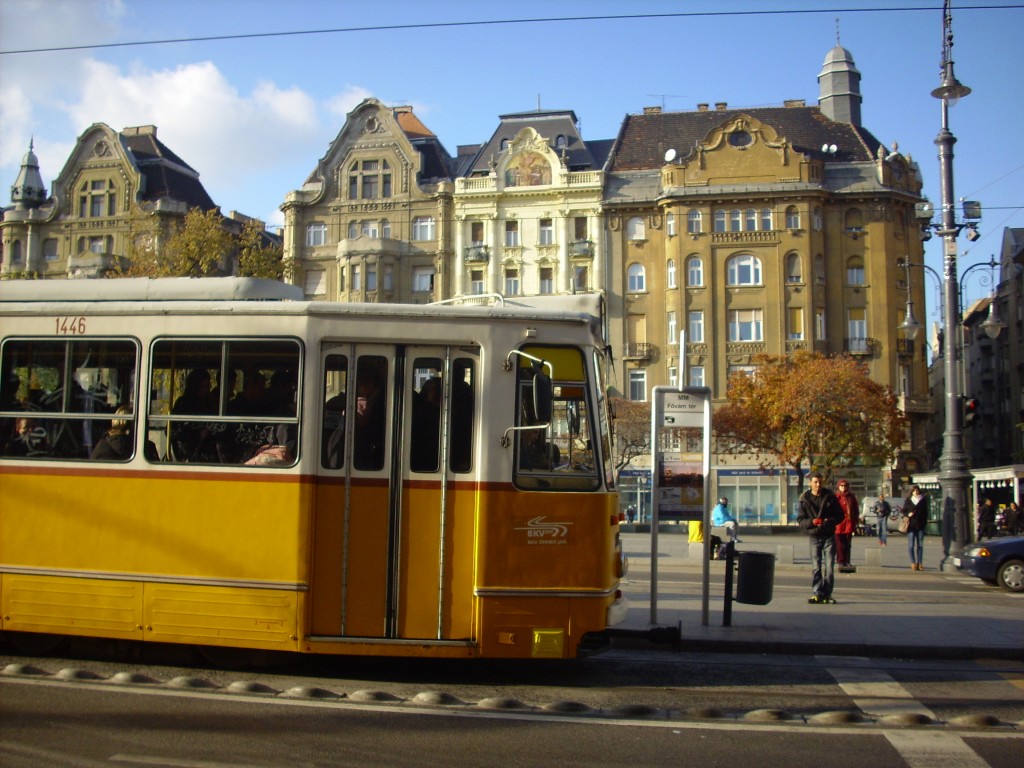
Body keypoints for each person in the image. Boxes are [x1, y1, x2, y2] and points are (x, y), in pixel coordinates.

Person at [797, 472, 844, 604]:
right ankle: (817, 593)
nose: (818, 485)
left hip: (828, 535)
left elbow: (840, 515)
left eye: (820, 482)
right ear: (810, 483)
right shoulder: (804, 498)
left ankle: (827, 594)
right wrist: (812, 522)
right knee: (816, 566)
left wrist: (828, 521)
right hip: (814, 536)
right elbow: (801, 520)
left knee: (829, 567)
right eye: (815, 482)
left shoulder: (830, 497)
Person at [834, 479, 859, 573]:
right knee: (839, 544)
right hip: (838, 524)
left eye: (845, 486)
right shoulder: (836, 496)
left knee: (847, 544)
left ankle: (847, 561)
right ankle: (840, 561)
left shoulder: (851, 497)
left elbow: (855, 510)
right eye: (842, 486)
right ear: (838, 487)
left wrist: (855, 521)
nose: (843, 488)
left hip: (849, 523)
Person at [902, 485, 928, 570]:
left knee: (920, 545)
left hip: (920, 525)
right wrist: (908, 514)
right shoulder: (909, 500)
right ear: (912, 492)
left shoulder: (923, 500)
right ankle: (913, 563)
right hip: (911, 525)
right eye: (914, 491)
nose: (916, 492)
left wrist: (924, 523)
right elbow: (904, 510)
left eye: (917, 491)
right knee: (911, 545)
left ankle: (920, 563)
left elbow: (926, 513)